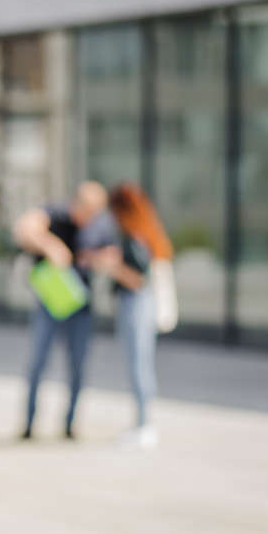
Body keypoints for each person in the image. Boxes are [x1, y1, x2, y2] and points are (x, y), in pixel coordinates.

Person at [12, 181, 117, 440]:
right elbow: (24, 229)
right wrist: (51, 246)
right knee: (38, 362)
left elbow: (112, 255)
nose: (89, 217)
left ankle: (70, 424)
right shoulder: (54, 214)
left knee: (78, 365)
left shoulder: (100, 225)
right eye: (87, 210)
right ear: (77, 203)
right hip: (49, 302)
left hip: (79, 306)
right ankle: (29, 422)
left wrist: (96, 259)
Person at [103, 182, 177, 448]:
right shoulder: (147, 231)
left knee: (139, 365)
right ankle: (143, 423)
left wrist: (111, 266)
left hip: (136, 304)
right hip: (140, 304)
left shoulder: (134, 236)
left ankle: (144, 425)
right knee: (140, 363)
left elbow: (138, 279)